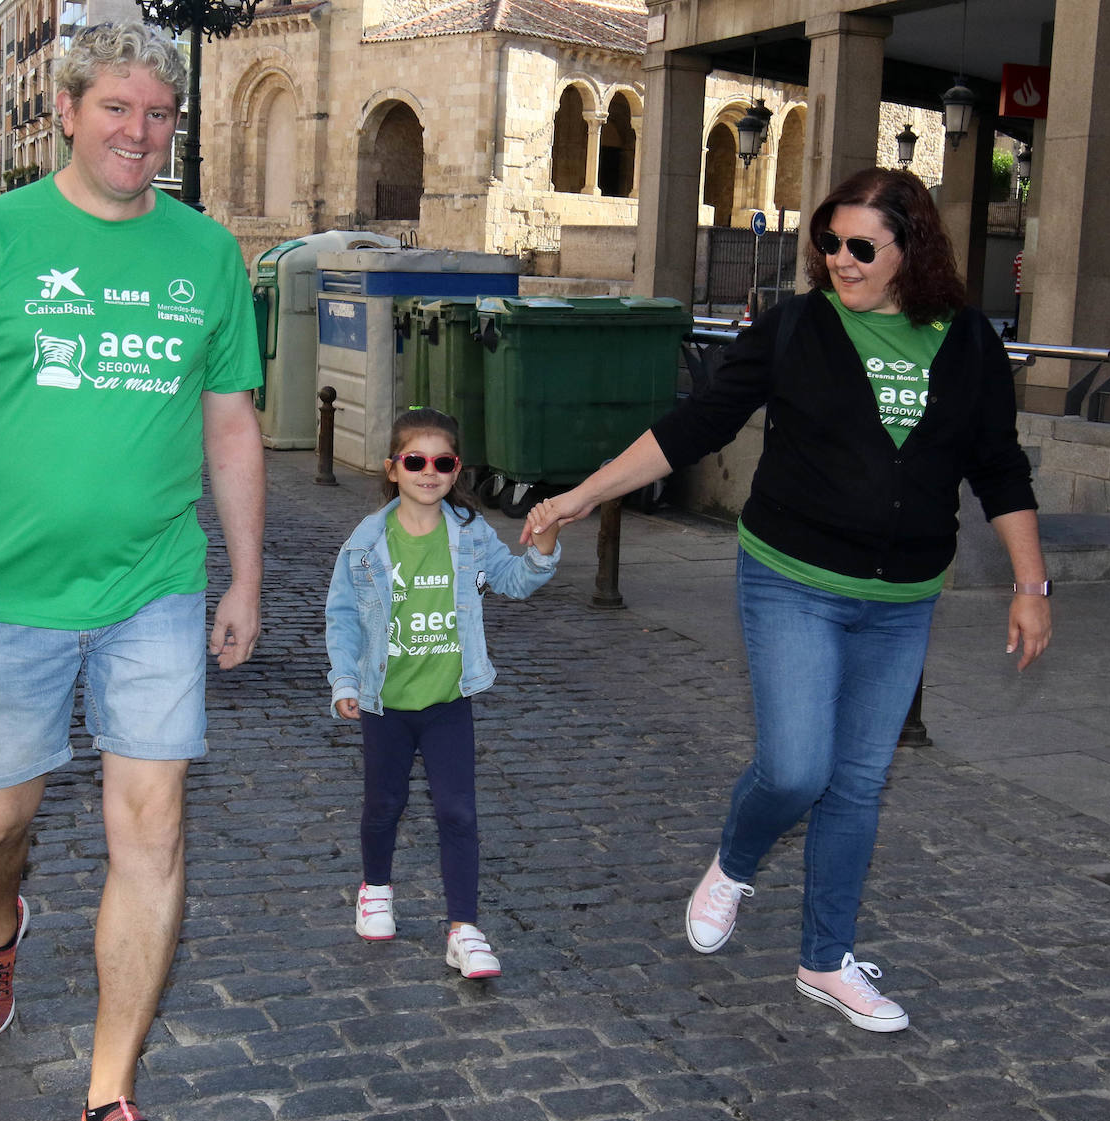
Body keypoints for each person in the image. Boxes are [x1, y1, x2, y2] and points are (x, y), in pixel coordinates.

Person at [526, 168, 1051, 1033]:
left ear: (910, 248)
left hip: (904, 596)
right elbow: (697, 424)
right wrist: (583, 496)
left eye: (859, 248)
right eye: (828, 244)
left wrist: (1030, 585)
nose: (838, 261)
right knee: (799, 766)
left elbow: (999, 465)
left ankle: (824, 958)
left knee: (857, 784)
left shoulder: (967, 343)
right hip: (793, 577)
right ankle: (735, 859)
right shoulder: (797, 328)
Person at [0, 21, 264, 1121]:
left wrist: (242, 578)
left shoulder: (205, 254)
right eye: (118, 109)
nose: (140, 133)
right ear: (65, 109)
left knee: (151, 830)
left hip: (154, 586)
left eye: (159, 115)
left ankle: (109, 1090)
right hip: (8, 598)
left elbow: (232, 426)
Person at [326, 408, 560, 980]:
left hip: (449, 701)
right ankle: (375, 889)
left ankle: (464, 928)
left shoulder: (471, 537)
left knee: (458, 812)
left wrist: (545, 543)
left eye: (442, 462)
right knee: (385, 804)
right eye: (415, 461)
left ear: (456, 471)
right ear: (393, 469)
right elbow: (342, 617)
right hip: (385, 702)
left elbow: (512, 581)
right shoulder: (365, 543)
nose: (428, 472)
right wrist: (344, 682)